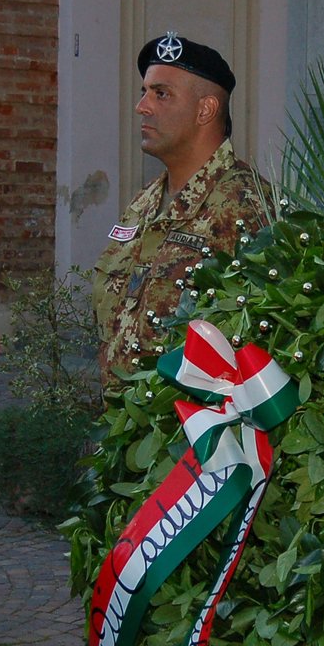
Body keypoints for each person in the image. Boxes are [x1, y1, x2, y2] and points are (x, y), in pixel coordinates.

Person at [92, 32, 269, 384]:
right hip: (122, 427)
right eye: (144, 92)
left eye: (161, 94)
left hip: (192, 431)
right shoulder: (144, 203)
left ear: (205, 109)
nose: (142, 106)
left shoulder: (247, 209)